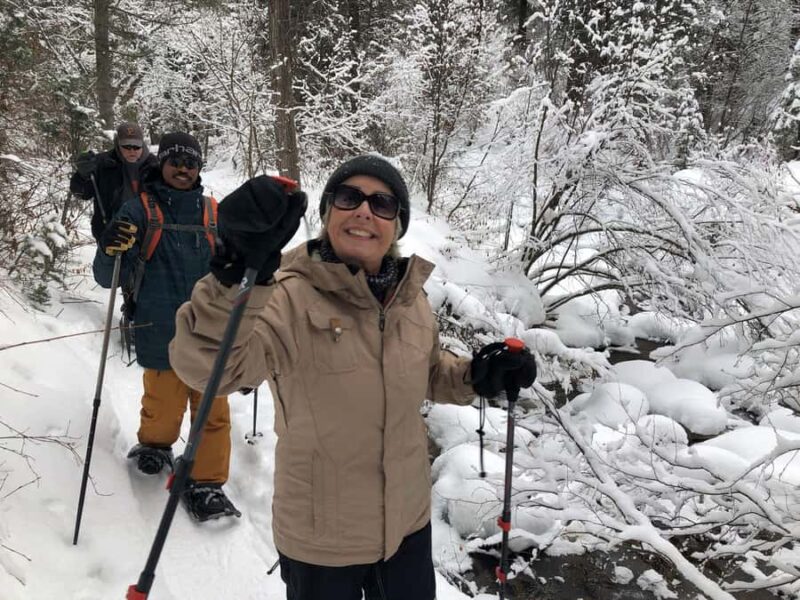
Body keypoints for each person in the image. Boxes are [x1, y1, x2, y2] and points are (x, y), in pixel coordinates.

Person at [169, 155, 536, 598]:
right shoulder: (283, 295)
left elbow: (428, 372)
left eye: (382, 204)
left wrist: (478, 376)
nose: (365, 210)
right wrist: (234, 276)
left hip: (407, 527)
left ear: (396, 226)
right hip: (322, 540)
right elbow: (210, 370)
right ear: (327, 214)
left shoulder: (408, 299)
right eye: (349, 197)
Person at [93, 132, 240, 522]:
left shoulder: (214, 213)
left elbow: (239, 273)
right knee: (161, 403)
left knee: (212, 411)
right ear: (162, 164)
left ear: (199, 168)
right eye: (175, 161)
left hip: (209, 332)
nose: (182, 168)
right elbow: (106, 277)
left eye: (190, 162)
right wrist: (109, 247)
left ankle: (208, 482)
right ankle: (156, 447)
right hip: (158, 326)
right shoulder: (138, 210)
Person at [70, 121, 158, 242]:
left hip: (147, 235)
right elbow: (81, 193)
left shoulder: (154, 166)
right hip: (109, 235)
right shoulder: (102, 163)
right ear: (117, 144)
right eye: (126, 146)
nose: (132, 150)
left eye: (136, 146)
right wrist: (82, 175)